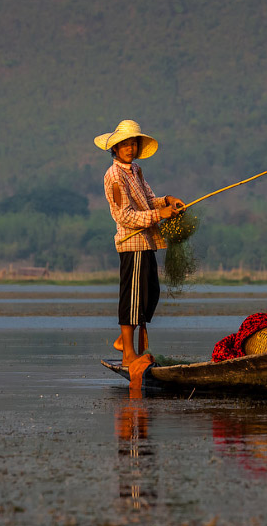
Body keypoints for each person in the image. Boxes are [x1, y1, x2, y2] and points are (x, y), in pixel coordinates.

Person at [95, 119, 184, 367]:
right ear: (115, 148)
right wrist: (160, 215)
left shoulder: (135, 171)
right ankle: (128, 355)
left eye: (133, 144)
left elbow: (148, 199)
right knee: (132, 299)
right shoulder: (114, 176)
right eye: (124, 144)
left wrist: (167, 201)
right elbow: (124, 216)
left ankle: (129, 343)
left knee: (149, 295)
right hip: (131, 243)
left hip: (146, 242)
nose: (129, 148)